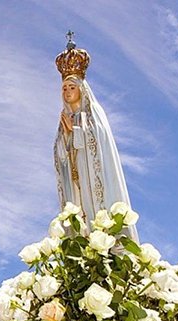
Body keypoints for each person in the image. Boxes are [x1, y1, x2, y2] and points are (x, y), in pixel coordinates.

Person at [53, 34, 138, 241]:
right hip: (76, 186)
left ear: (81, 90)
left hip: (94, 185)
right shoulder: (64, 119)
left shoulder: (93, 114)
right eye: (64, 88)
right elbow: (60, 156)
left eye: (72, 87)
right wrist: (65, 139)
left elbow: (100, 142)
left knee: (98, 222)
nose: (67, 92)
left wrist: (77, 133)